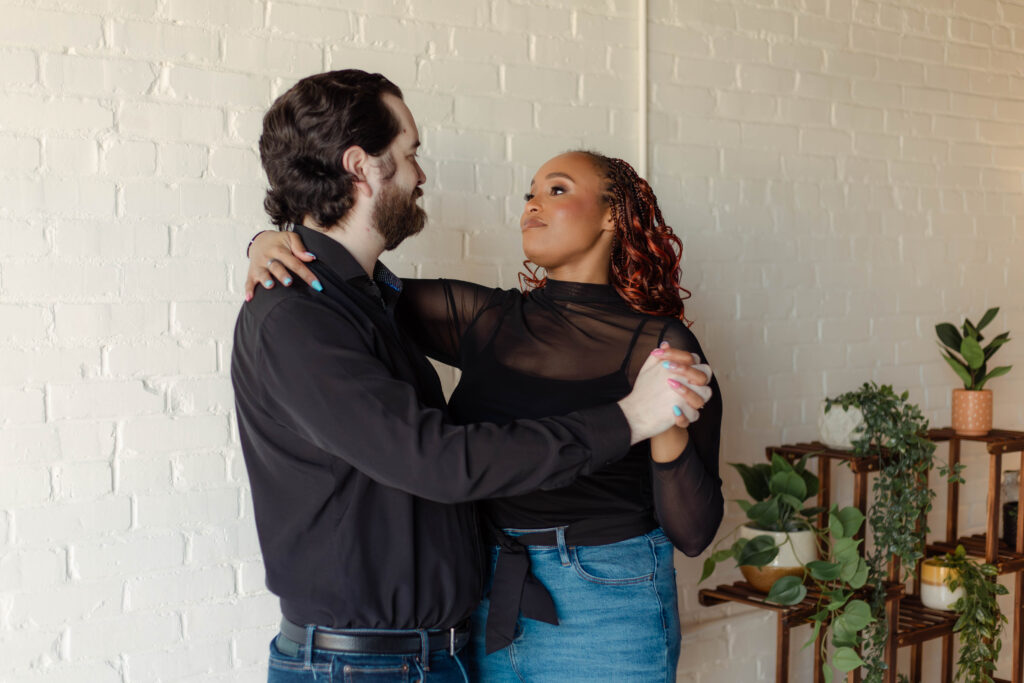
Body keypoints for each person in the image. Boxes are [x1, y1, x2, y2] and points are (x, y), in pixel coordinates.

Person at [232, 69, 710, 683]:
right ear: (361, 166)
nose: (421, 174)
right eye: (409, 156)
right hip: (382, 659)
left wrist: (272, 239)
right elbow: (439, 460)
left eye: (557, 190)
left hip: (474, 639)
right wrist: (631, 418)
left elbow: (693, 526)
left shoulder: (363, 302)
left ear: (614, 216)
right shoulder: (307, 314)